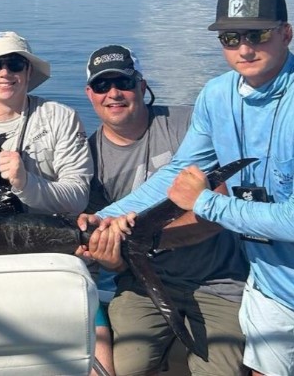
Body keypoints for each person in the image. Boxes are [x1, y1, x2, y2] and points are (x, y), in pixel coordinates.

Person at [88, 0, 294, 376]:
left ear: (287, 33)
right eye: (231, 37)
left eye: (258, 35)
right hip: (267, 284)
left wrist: (206, 202)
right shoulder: (216, 94)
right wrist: (105, 217)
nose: (244, 48)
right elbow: (180, 174)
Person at [77, 45, 247, 376]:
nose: (113, 93)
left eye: (123, 83)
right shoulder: (88, 158)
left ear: (142, 86)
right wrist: (110, 253)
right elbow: (112, 257)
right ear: (89, 94)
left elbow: (224, 204)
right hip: (141, 284)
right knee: (126, 368)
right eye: (102, 86)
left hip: (218, 280)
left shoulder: (187, 125)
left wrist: (152, 236)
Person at [0, 31, 91, 216]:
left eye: (15, 65)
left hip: (53, 240)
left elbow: (78, 199)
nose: (4, 73)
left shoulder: (61, 117)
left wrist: (25, 182)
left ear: (29, 71)